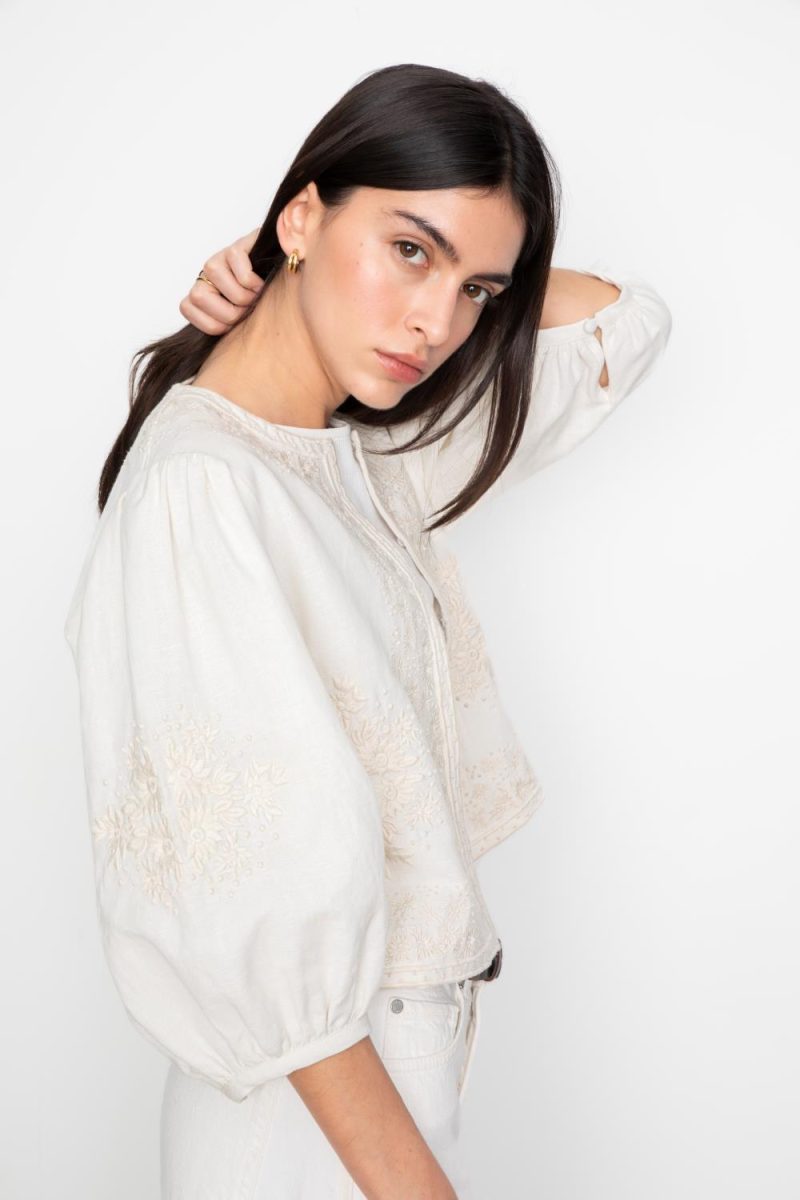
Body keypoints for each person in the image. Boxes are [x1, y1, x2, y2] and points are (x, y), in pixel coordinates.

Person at [63, 62, 672, 1200]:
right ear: (301, 216)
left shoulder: (366, 456)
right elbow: (254, 898)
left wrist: (448, 262)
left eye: (478, 289)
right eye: (408, 250)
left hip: (384, 1083)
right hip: (315, 1113)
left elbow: (623, 325)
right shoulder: (205, 488)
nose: (436, 324)